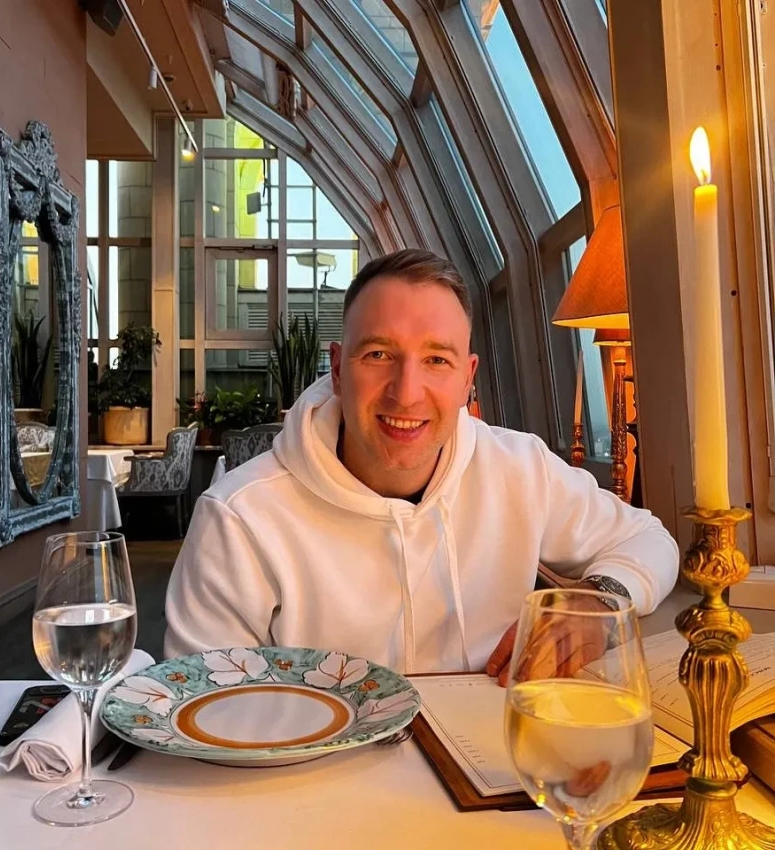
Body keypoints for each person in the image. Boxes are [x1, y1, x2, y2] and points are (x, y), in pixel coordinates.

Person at [164, 249, 679, 679]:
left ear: (467, 378)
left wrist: (596, 602)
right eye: (378, 355)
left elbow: (649, 540)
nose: (407, 393)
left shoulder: (520, 469)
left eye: (436, 360)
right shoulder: (239, 516)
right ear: (338, 369)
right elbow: (203, 703)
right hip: (320, 766)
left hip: (499, 755)